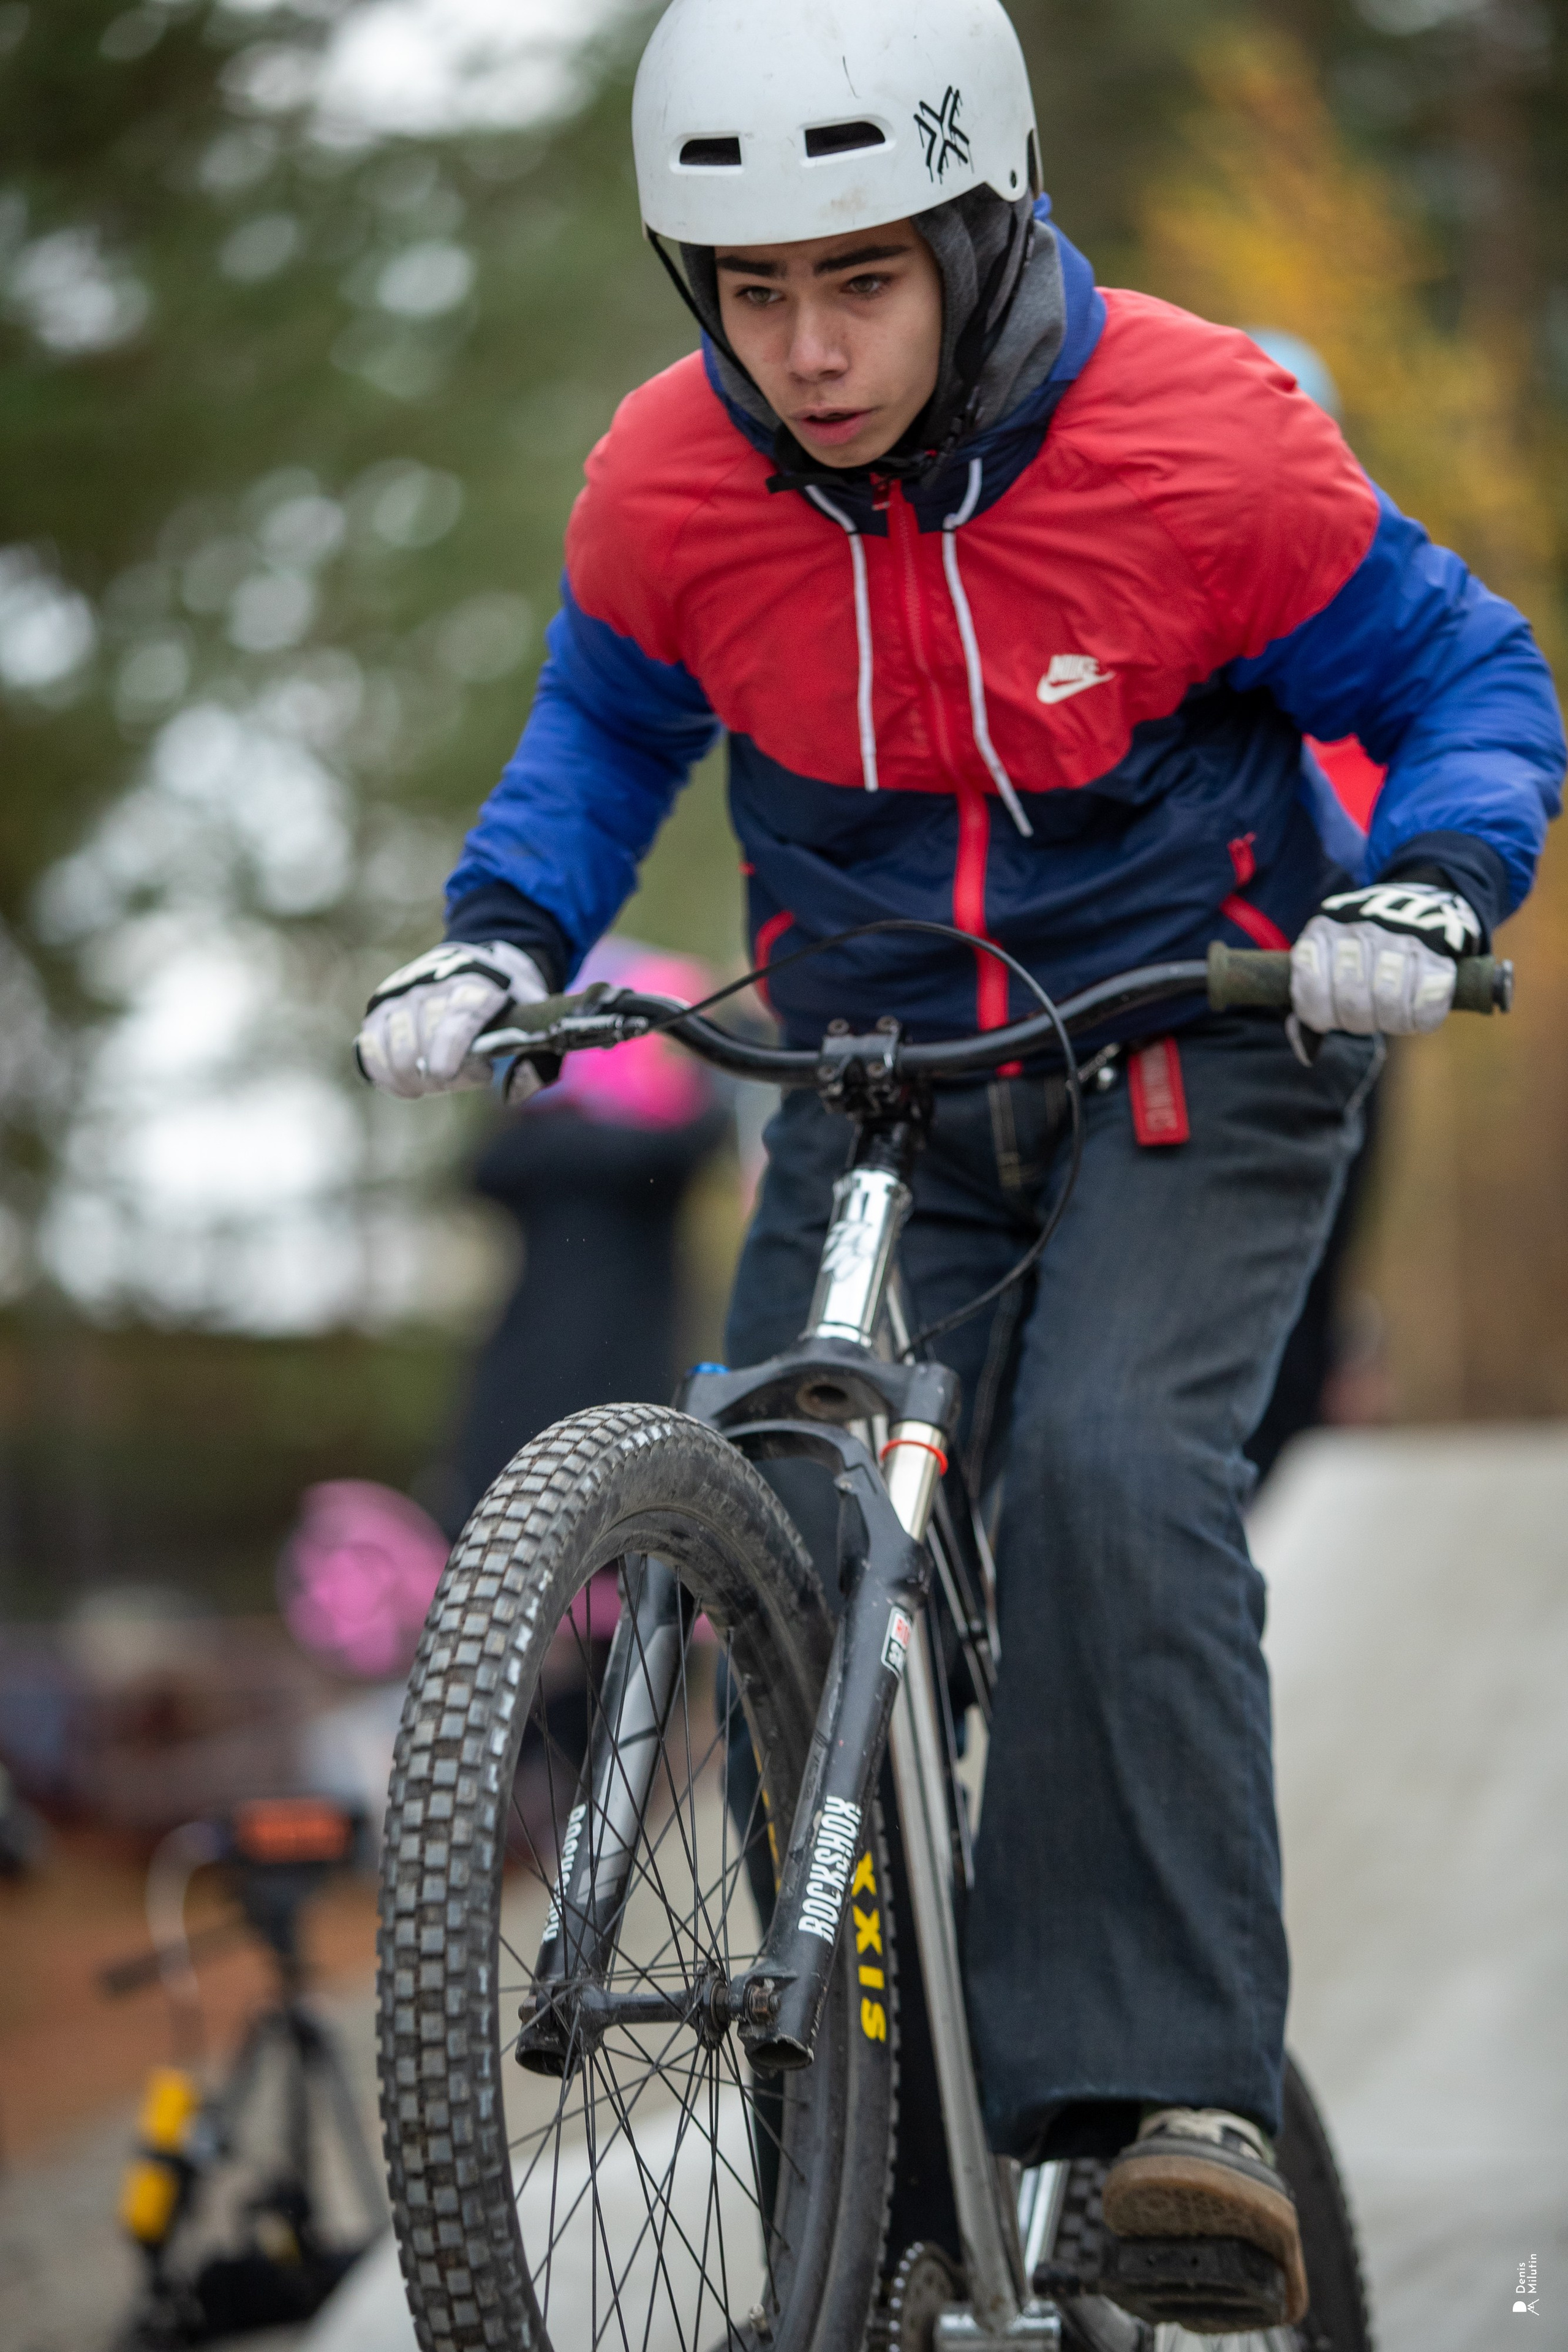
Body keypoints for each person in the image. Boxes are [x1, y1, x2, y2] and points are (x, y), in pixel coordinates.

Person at [353, 0, 1564, 2329]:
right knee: (784, 1526)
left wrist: (1425, 885)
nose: (806, 347)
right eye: (749, 288)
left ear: (980, 226)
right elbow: (606, 725)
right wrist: (500, 936)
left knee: (1114, 1465)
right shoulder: (665, 483)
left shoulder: (1207, 434)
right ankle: (874, 2165)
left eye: (861, 279)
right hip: (877, 1065)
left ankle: (1161, 2115)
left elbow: (1469, 677)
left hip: (1191, 1036)